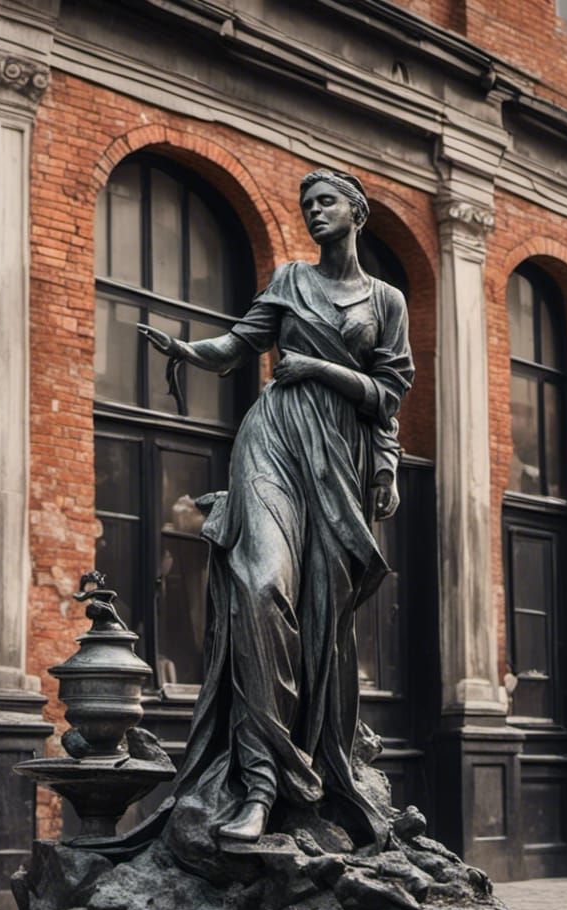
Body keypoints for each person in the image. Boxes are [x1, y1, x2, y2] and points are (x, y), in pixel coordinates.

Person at [83, 169, 413, 860]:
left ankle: (312, 772)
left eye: (326, 201)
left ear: (357, 212)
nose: (313, 211)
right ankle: (261, 784)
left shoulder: (386, 300)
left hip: (339, 461)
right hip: (273, 440)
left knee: (321, 622)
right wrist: (187, 350)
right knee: (261, 588)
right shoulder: (290, 280)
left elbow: (388, 395)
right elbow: (237, 346)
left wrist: (329, 385)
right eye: (306, 204)